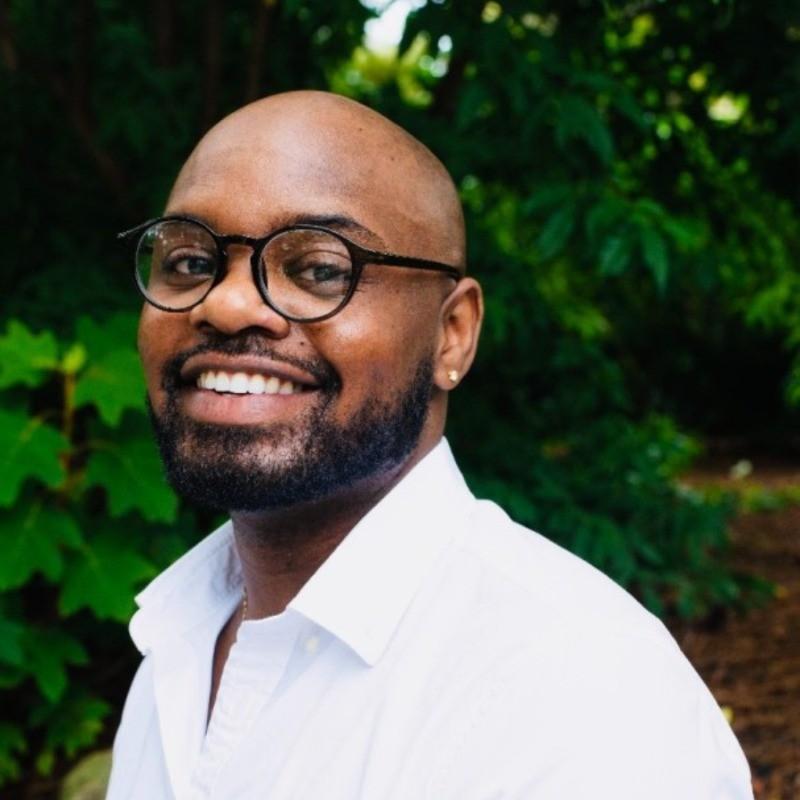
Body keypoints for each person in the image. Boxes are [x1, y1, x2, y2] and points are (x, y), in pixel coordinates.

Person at [107, 90, 753, 799]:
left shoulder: (581, 696)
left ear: (453, 334)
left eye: (320, 269)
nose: (225, 304)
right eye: (192, 262)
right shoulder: (176, 644)